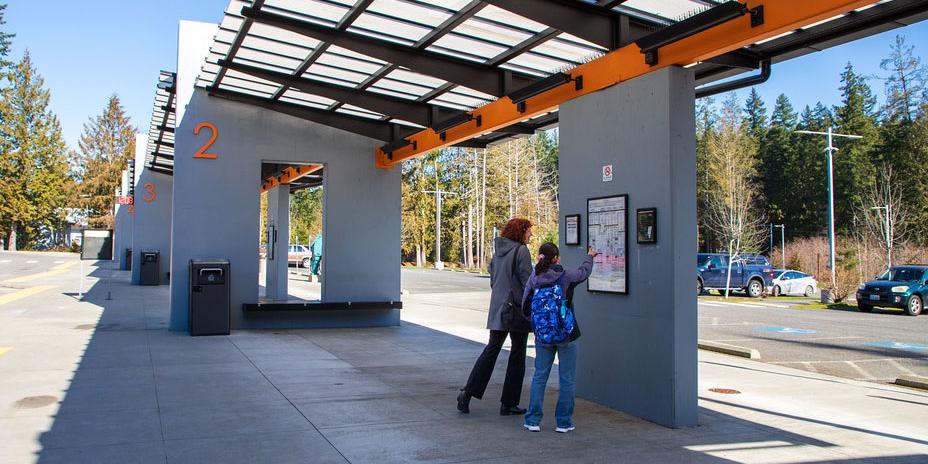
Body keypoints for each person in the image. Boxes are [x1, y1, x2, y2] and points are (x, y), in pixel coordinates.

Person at [457, 218, 533, 415]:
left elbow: (493, 280)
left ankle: (467, 393)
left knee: (491, 351)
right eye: (528, 231)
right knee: (517, 354)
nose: (530, 235)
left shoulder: (497, 252)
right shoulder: (521, 251)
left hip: (498, 308)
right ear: (520, 232)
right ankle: (508, 402)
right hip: (516, 309)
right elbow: (528, 283)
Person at [521, 243, 597, 433]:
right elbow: (584, 272)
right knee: (567, 379)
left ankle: (532, 420)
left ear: (540, 257)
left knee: (539, 377)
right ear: (556, 258)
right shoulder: (566, 276)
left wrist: (540, 324)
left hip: (543, 336)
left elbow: (525, 306)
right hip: (567, 334)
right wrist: (590, 256)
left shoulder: (534, 277)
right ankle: (563, 422)